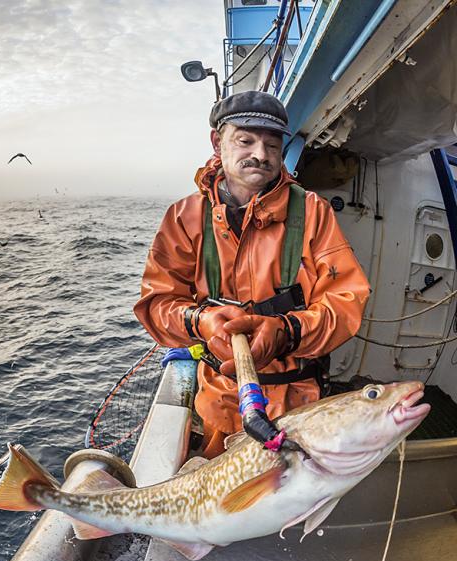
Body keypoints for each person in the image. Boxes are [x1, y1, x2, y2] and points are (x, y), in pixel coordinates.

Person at [134, 90, 371, 459]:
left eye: (272, 146)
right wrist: (203, 321)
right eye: (245, 141)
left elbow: (346, 302)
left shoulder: (313, 212)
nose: (260, 154)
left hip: (297, 412)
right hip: (217, 402)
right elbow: (157, 304)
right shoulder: (184, 217)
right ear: (217, 142)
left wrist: (287, 332)